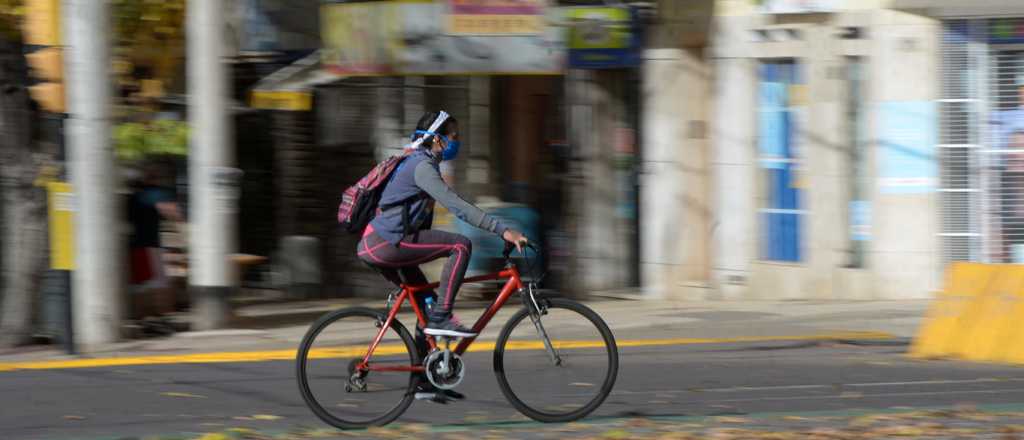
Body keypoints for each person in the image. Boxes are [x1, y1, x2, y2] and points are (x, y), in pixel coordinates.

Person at [357, 110, 529, 338]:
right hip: (385, 243)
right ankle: (443, 317)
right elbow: (458, 206)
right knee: (460, 246)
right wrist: (503, 231)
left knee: (427, 310)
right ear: (437, 139)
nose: (458, 142)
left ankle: (426, 356)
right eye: (454, 136)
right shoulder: (421, 166)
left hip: (380, 242)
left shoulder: (418, 162)